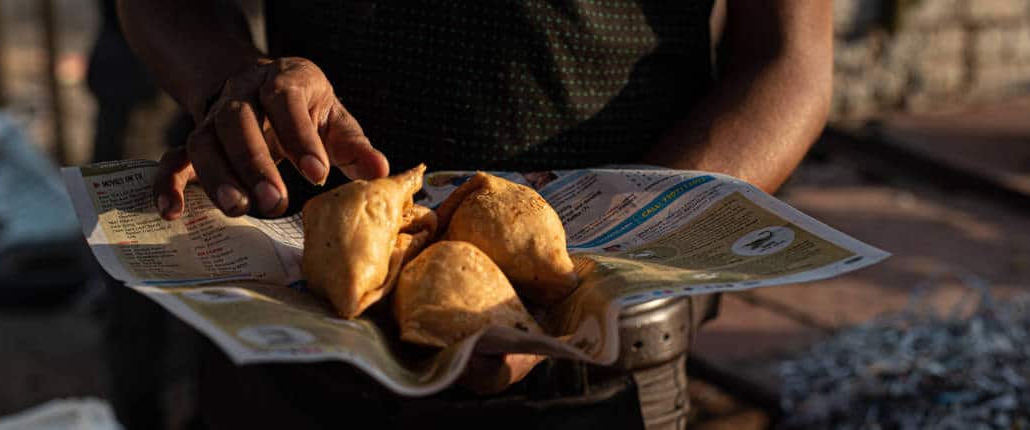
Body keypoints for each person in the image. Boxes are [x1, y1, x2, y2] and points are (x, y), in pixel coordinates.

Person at [116, 0, 832, 428]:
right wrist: (226, 77)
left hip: (592, 354)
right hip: (304, 310)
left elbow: (788, 60)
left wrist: (605, 254)